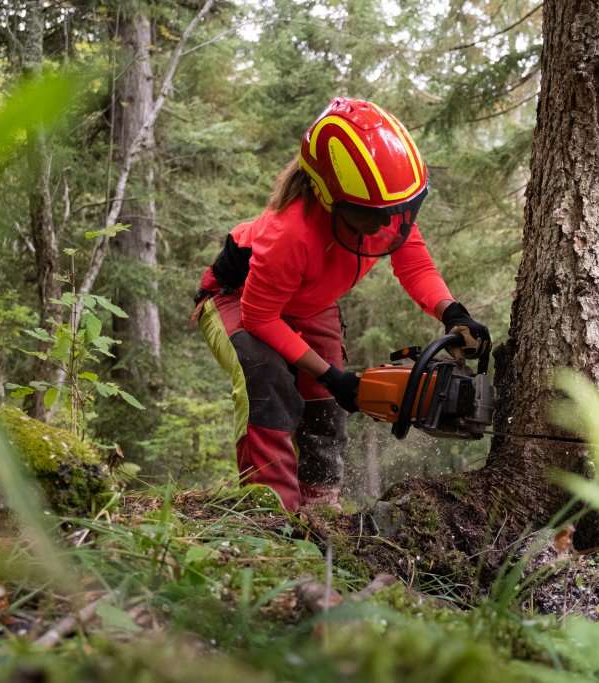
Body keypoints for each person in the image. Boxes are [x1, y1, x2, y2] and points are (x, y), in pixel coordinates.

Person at [193, 98, 490, 511]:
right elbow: (260, 317)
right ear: (330, 197)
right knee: (267, 380)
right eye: (373, 216)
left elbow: (415, 264)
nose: (386, 225)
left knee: (326, 401)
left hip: (311, 301)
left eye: (395, 213)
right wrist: (332, 374)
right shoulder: (290, 234)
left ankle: (320, 506)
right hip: (242, 299)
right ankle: (271, 509)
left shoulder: (382, 207)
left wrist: (451, 312)